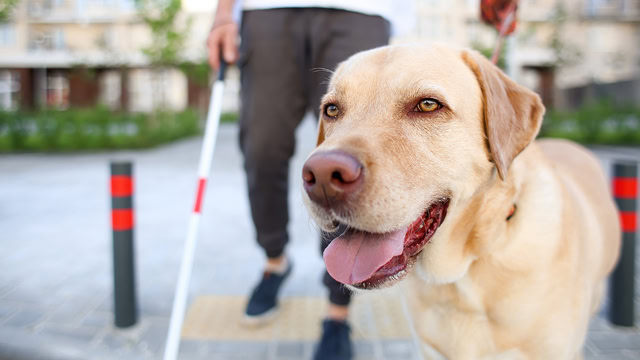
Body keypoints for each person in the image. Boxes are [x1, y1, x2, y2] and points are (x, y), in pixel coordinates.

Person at [207, 1, 413, 359]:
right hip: (267, 10)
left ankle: (338, 307)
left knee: (349, 160)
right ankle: (275, 261)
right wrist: (223, 13)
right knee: (262, 146)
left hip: (360, 10)